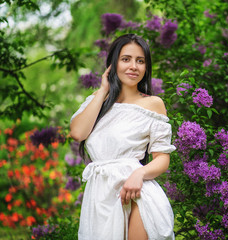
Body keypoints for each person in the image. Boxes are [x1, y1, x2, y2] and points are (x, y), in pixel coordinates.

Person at [69, 34, 176, 240]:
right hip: (100, 196)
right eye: (126, 59)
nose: (134, 66)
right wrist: (103, 90)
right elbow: (78, 133)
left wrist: (139, 175)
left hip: (137, 191)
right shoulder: (97, 100)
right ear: (113, 64)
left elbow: (162, 158)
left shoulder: (153, 104)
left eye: (140, 61)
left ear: (146, 67)